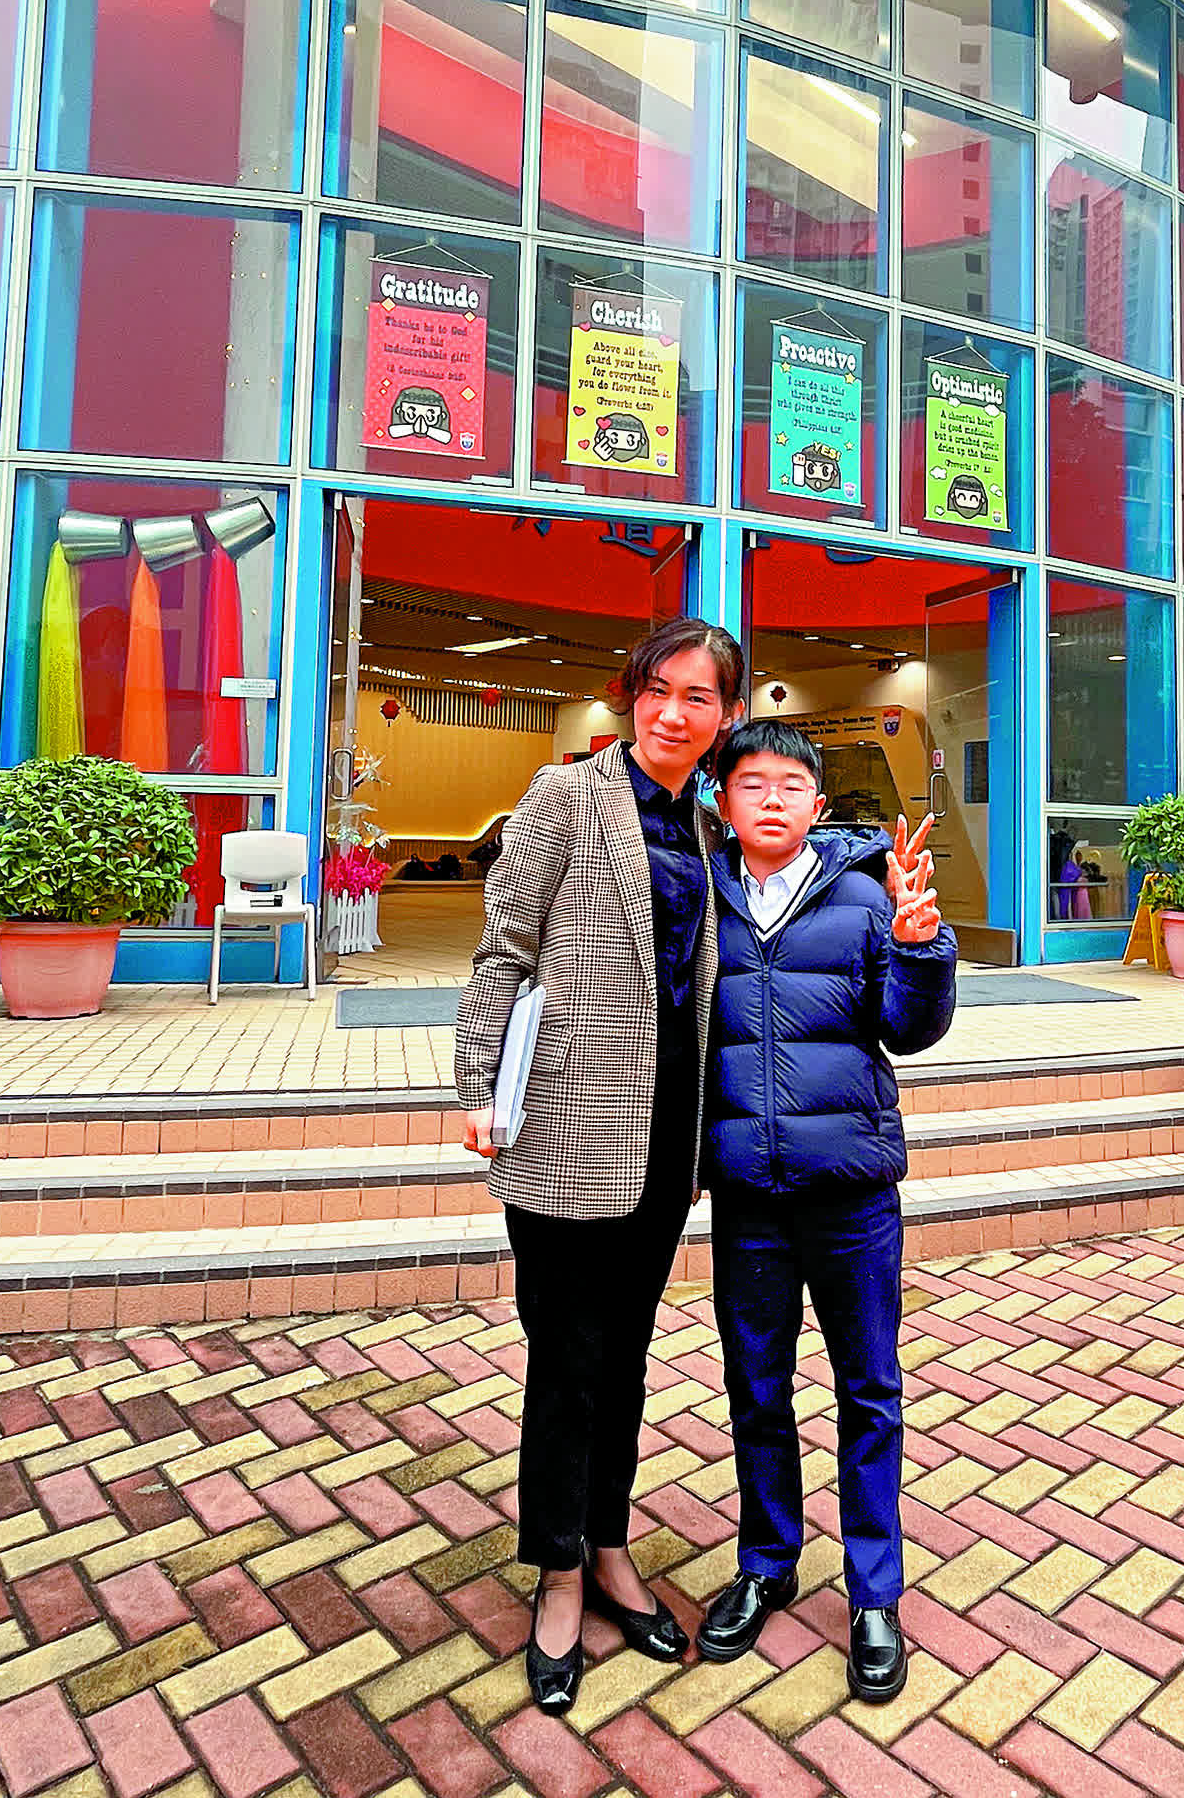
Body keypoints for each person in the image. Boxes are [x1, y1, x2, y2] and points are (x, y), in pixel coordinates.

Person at [453, 617, 745, 1717]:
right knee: (567, 1358)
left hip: (667, 1133)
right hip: (568, 1119)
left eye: (699, 697)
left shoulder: (707, 825)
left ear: (725, 716)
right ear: (631, 692)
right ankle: (561, 1572)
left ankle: (612, 1543)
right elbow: (504, 948)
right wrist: (477, 1087)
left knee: (624, 1356)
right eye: (658, 689)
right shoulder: (566, 796)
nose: (673, 712)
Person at [693, 720, 957, 1702]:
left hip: (850, 1192)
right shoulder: (699, 900)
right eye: (750, 783)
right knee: (756, 1387)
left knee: (868, 1390)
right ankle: (766, 1563)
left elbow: (907, 1029)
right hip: (748, 1198)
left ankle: (873, 1592)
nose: (771, 799)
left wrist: (921, 950)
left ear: (816, 802)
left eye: (790, 784)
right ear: (723, 801)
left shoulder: (865, 895)